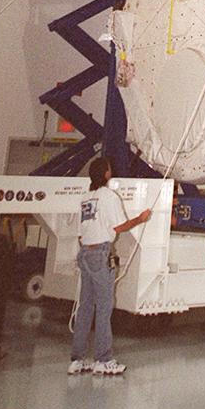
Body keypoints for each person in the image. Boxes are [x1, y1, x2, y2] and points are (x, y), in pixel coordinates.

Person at [67, 157, 152, 376]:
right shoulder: (108, 197)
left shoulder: (86, 199)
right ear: (106, 174)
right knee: (104, 308)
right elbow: (120, 226)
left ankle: (77, 359)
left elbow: (80, 232)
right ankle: (103, 360)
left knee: (85, 307)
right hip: (99, 254)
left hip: (85, 253)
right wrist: (141, 219)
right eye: (110, 169)